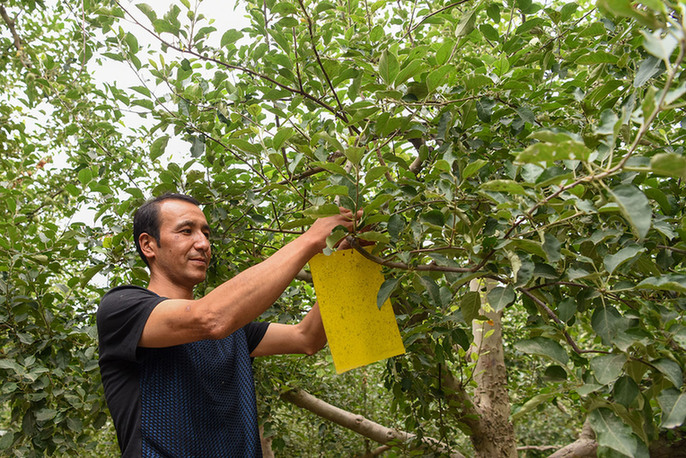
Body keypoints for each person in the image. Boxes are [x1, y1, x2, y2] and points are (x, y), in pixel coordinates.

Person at [97, 193, 359, 457]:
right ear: (148, 245)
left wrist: (346, 259)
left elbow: (307, 338)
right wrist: (311, 239)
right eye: (186, 231)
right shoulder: (122, 308)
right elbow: (210, 317)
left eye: (206, 234)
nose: (203, 244)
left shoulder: (234, 330)